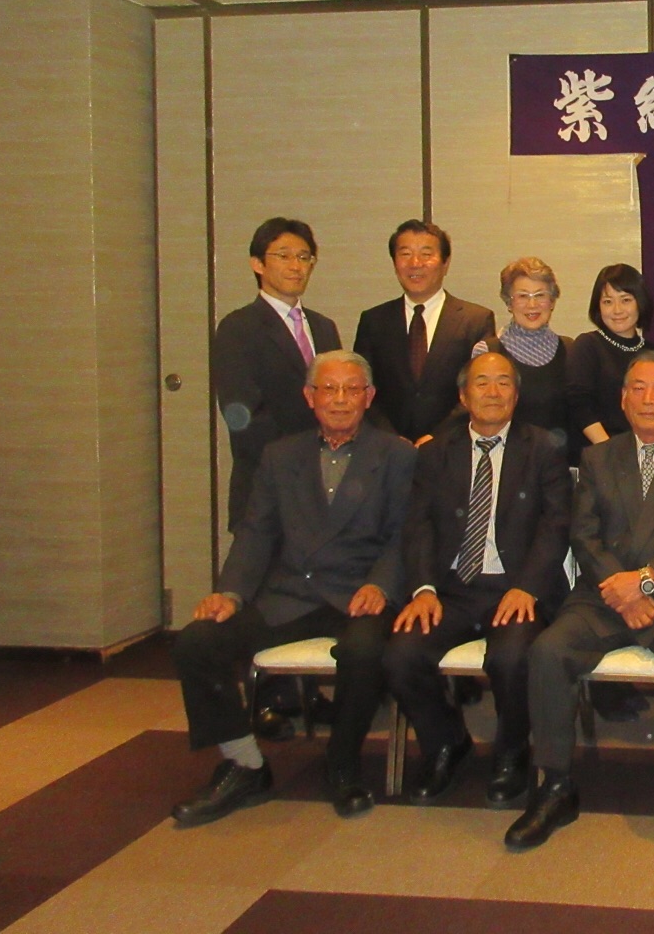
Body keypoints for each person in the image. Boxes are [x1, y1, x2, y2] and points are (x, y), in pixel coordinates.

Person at [170, 350, 415, 825]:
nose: (340, 399)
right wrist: (230, 593)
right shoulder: (280, 455)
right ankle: (244, 763)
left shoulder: (397, 455)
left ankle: (342, 764)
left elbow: (404, 534)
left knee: (365, 651)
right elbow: (255, 532)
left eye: (351, 390)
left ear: (369, 397)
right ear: (309, 396)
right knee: (197, 642)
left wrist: (381, 586)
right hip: (290, 594)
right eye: (329, 389)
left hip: (357, 594)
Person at [507, 351, 654, 853]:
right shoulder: (597, 458)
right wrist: (620, 589)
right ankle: (555, 786)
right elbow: (583, 536)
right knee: (548, 651)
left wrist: (646, 582)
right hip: (603, 595)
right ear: (623, 400)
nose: (649, 399)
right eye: (638, 389)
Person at [383, 353, 570, 808]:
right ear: (463, 396)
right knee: (400, 655)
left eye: (503, 382)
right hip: (450, 590)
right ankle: (446, 743)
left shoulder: (543, 448)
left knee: (512, 658)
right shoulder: (434, 453)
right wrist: (423, 589)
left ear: (517, 395)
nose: (493, 392)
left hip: (515, 589)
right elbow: (418, 526)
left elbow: (556, 526)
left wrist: (527, 587)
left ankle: (511, 751)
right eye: (482, 383)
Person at [212, 216, 341, 531]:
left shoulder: (324, 327)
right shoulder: (238, 328)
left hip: (327, 483)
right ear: (257, 264)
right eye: (283, 256)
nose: (296, 266)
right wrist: (307, 457)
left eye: (304, 257)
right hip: (267, 485)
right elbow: (242, 416)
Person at [353, 219, 496, 444]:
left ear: (445, 263)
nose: (415, 263)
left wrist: (437, 436)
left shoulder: (476, 320)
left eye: (426, 254)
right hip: (388, 449)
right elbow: (361, 387)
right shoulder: (373, 321)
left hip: (454, 445)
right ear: (394, 263)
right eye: (405, 254)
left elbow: (480, 388)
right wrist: (391, 438)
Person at [475, 257, 573, 451]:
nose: (532, 304)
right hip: (505, 459)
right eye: (523, 296)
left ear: (552, 301)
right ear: (509, 303)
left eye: (540, 295)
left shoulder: (570, 349)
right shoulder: (487, 351)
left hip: (559, 460)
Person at [566, 263, 652, 454]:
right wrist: (610, 451)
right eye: (607, 302)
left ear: (640, 302)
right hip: (600, 455)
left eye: (625, 300)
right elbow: (579, 404)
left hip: (646, 455)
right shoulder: (587, 345)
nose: (617, 310)